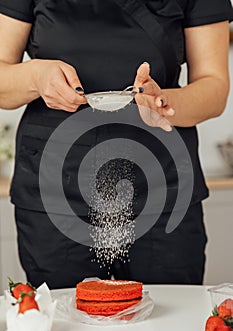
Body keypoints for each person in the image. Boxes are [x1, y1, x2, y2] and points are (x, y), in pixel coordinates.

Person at [0, 0, 232, 289]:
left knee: (167, 320)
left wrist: (163, 103)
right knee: (64, 325)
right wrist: (35, 77)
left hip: (163, 187)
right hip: (55, 188)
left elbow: (214, 85)